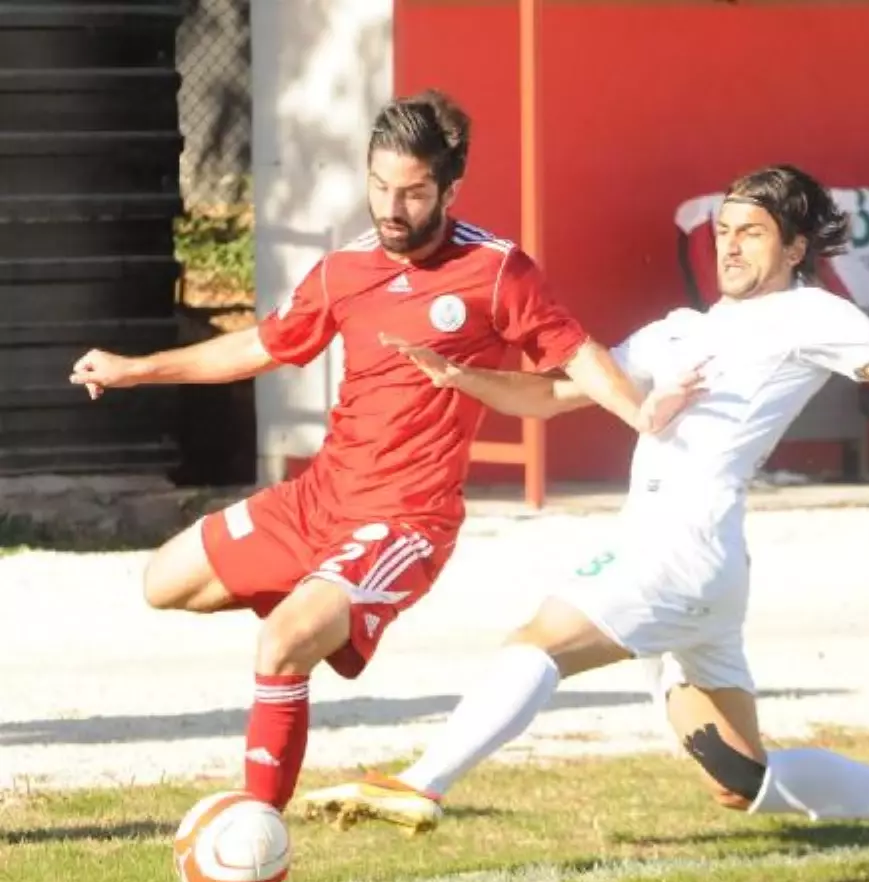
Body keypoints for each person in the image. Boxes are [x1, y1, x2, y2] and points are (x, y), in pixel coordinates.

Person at [299, 165, 869, 879]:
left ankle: (422, 782)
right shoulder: (679, 330)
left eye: (753, 232)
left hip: (678, 548)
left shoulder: (811, 315)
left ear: (797, 248)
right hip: (702, 567)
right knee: (740, 777)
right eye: (725, 229)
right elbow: (555, 394)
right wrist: (457, 373)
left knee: (537, 643)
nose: (730, 244)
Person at [66, 90, 690, 812]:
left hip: (404, 521)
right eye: (380, 186)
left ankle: (257, 830)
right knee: (163, 582)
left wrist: (647, 418)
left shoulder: (496, 272)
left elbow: (576, 356)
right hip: (318, 500)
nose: (392, 207)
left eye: (414, 192)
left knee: (281, 643)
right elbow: (261, 347)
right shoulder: (344, 272)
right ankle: (320, 601)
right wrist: (137, 368)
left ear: (449, 191)